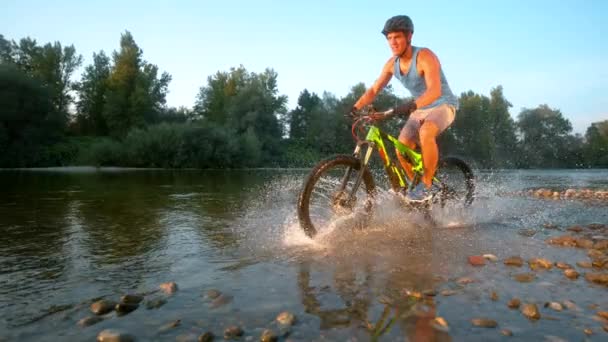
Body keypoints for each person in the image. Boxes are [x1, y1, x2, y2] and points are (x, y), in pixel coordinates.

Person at [350, 15, 458, 202]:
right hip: (419, 108)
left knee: (426, 131)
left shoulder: (425, 56)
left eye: (397, 37)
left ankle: (426, 185)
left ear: (409, 37)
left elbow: (434, 90)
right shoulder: (392, 64)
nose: (393, 42)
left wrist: (411, 105)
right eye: (389, 38)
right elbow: (374, 89)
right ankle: (414, 191)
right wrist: (355, 107)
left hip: (443, 104)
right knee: (402, 149)